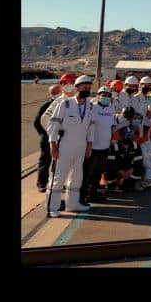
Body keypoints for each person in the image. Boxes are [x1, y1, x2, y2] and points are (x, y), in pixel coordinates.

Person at [45, 75, 96, 217]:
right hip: (65, 145)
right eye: (84, 87)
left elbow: (91, 128)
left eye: (89, 87)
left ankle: (73, 204)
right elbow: (53, 125)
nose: (87, 89)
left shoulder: (90, 106)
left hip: (81, 146)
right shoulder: (65, 104)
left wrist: (89, 145)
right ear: (77, 87)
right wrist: (52, 145)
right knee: (58, 177)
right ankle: (52, 207)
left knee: (76, 176)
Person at [80, 85, 118, 204]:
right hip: (92, 147)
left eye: (108, 96)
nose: (106, 97)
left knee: (98, 172)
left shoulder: (111, 109)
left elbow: (112, 126)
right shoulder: (91, 108)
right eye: (103, 95)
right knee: (88, 172)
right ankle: (83, 195)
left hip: (104, 147)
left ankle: (93, 193)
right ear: (98, 96)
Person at [33, 82, 64, 192]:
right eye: (53, 92)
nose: (55, 94)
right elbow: (37, 122)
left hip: (61, 139)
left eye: (57, 92)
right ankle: (42, 183)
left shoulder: (64, 104)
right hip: (47, 139)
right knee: (45, 161)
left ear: (61, 91)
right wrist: (45, 134)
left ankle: (55, 183)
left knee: (59, 162)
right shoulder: (46, 106)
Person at [105, 127, 145, 192]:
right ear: (121, 136)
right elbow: (110, 162)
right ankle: (113, 183)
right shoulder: (114, 146)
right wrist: (120, 171)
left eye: (130, 135)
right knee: (108, 171)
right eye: (126, 135)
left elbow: (139, 161)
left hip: (129, 169)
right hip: (117, 170)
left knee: (141, 170)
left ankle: (127, 182)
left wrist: (131, 170)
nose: (128, 138)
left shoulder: (136, 146)